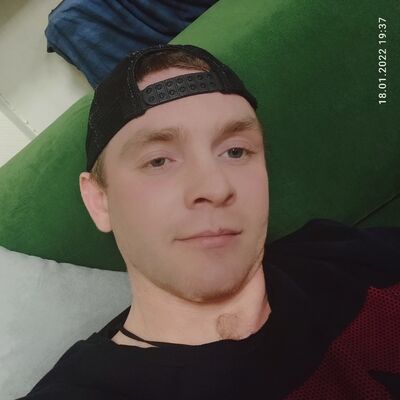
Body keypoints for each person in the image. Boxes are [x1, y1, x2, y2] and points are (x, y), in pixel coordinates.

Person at [19, 44, 400, 399]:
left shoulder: (343, 257)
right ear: (99, 201)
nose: (215, 187)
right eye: (159, 161)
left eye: (236, 151)